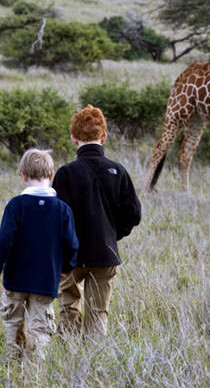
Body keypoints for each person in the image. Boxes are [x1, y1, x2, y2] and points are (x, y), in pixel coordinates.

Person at [53, 105, 141, 337]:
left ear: (73, 138)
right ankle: (95, 357)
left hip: (70, 256)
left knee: (68, 309)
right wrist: (112, 234)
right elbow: (134, 214)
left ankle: (68, 354)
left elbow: (56, 219)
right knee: (98, 314)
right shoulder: (117, 171)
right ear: (104, 136)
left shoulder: (65, 173)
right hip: (105, 252)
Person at [0, 149, 79, 358]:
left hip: (15, 280)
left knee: (12, 323)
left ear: (23, 175)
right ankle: (39, 368)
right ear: (52, 174)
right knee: (41, 328)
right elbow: (72, 245)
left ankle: (13, 361)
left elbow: (2, 243)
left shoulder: (15, 205)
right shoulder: (63, 209)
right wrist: (65, 269)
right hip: (46, 281)